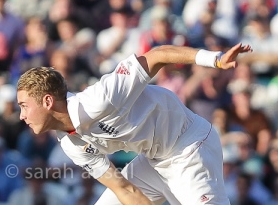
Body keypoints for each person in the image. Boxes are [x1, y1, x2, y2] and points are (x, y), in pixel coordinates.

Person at [16, 43, 252, 205]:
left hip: (190, 148)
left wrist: (214, 59)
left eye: (24, 105)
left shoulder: (99, 98)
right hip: (153, 160)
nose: (21, 116)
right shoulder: (69, 143)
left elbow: (157, 55)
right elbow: (124, 189)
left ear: (47, 101)